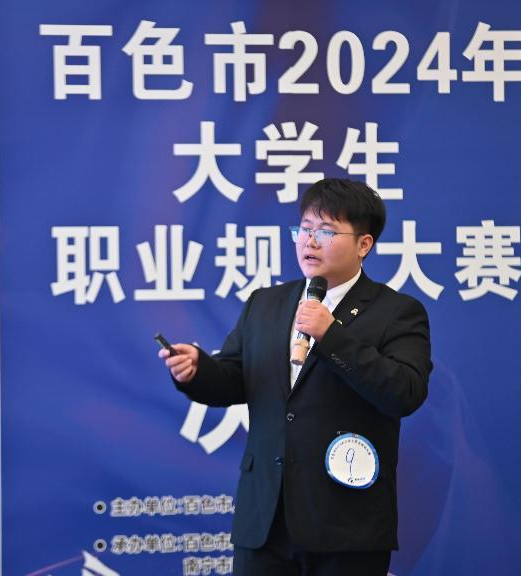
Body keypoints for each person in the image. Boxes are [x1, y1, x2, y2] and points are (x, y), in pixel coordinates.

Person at [159, 178, 432, 575]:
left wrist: (331, 336)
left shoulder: (397, 312)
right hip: (265, 520)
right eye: (304, 229)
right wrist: (198, 371)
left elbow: (404, 393)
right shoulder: (266, 303)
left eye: (327, 231)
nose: (310, 241)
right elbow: (235, 379)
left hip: (346, 523)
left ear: (364, 245)